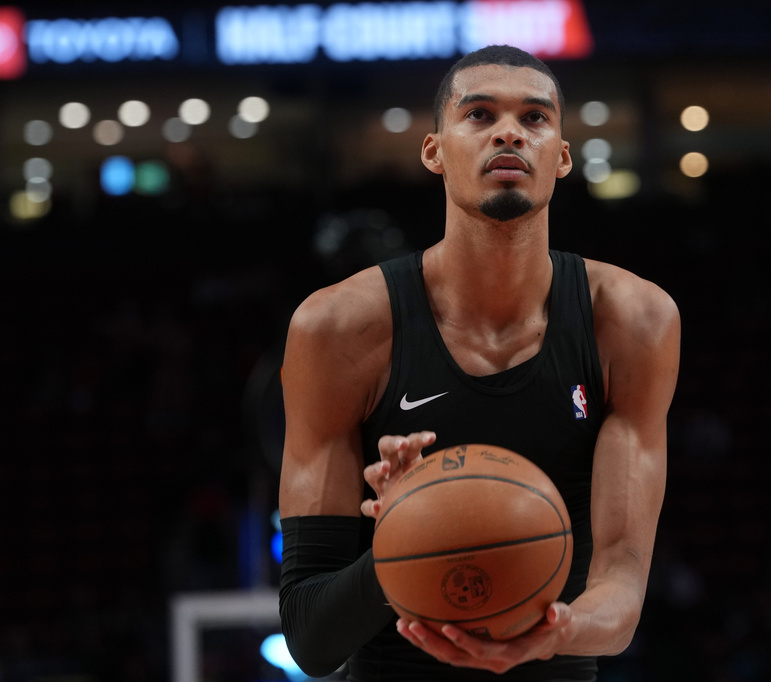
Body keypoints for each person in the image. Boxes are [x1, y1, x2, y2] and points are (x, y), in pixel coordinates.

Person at [278, 44, 680, 681]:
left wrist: (553, 632)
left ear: (563, 156)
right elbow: (309, 638)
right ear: (434, 150)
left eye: (535, 118)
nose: (510, 132)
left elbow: (622, 589)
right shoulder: (339, 328)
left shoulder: (632, 321)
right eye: (480, 114)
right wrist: (406, 539)